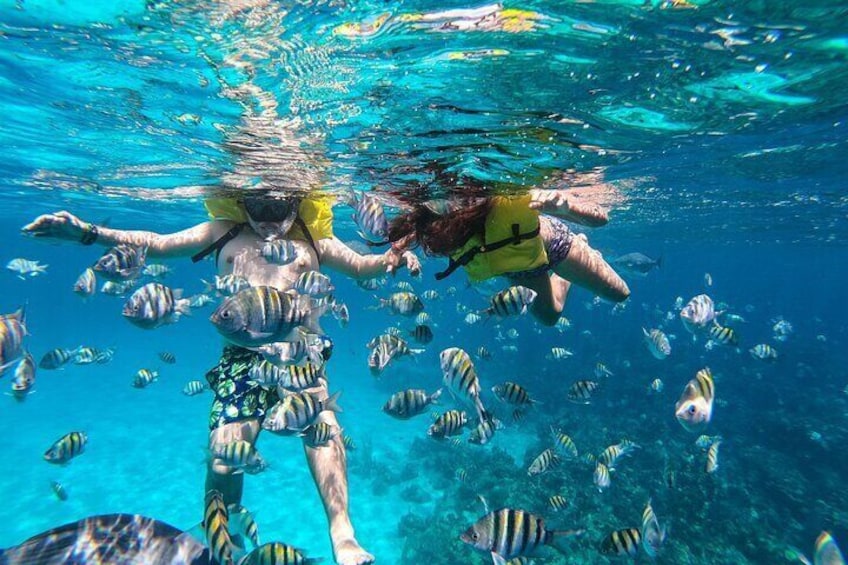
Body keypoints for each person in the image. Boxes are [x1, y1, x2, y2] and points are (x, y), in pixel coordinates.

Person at [23, 193, 419, 565]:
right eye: (256, 204)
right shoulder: (222, 232)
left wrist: (395, 258)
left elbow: (363, 266)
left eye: (280, 206)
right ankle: (224, 541)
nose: (268, 219)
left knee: (323, 427)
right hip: (240, 359)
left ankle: (342, 529)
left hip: (300, 353)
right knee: (223, 458)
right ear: (237, 198)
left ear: (300, 200)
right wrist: (89, 233)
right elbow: (155, 243)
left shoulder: (314, 240)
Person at [387, 184, 630, 326]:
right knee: (550, 318)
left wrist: (567, 207)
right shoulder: (435, 218)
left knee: (619, 294)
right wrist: (397, 253)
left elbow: (601, 216)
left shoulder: (508, 196)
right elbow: (410, 233)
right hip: (520, 266)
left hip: (554, 244)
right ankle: (564, 278)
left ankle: (581, 245)